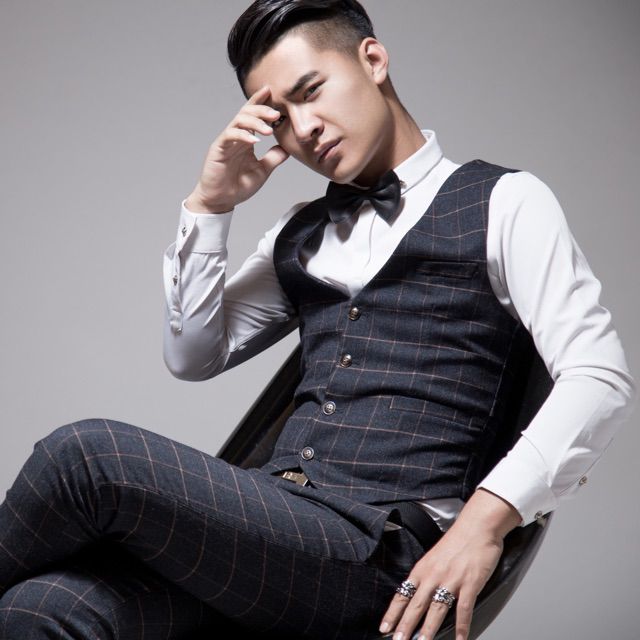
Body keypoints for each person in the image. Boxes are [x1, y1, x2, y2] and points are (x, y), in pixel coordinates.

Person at [0, 1, 635, 639]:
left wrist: (483, 523)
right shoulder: (300, 232)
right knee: (39, 606)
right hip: (275, 537)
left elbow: (598, 377)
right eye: (281, 117)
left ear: (373, 59)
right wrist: (210, 207)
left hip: (378, 552)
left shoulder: (505, 201)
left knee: (88, 456)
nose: (304, 128)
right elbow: (193, 355)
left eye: (312, 91)